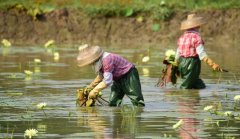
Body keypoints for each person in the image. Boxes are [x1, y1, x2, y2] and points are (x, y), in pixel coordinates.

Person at [76, 44, 145, 106]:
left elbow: (107, 81)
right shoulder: (99, 62)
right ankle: (117, 118)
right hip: (118, 79)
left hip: (129, 75)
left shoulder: (107, 60)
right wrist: (90, 87)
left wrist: (94, 91)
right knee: (113, 102)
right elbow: (101, 76)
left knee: (137, 101)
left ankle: (139, 114)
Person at [175, 14, 224, 89]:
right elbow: (201, 54)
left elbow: (177, 53)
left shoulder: (182, 37)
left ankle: (196, 96)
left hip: (182, 63)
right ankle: (182, 99)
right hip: (191, 64)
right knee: (185, 87)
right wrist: (212, 64)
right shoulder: (196, 37)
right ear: (197, 26)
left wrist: (176, 65)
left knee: (200, 85)